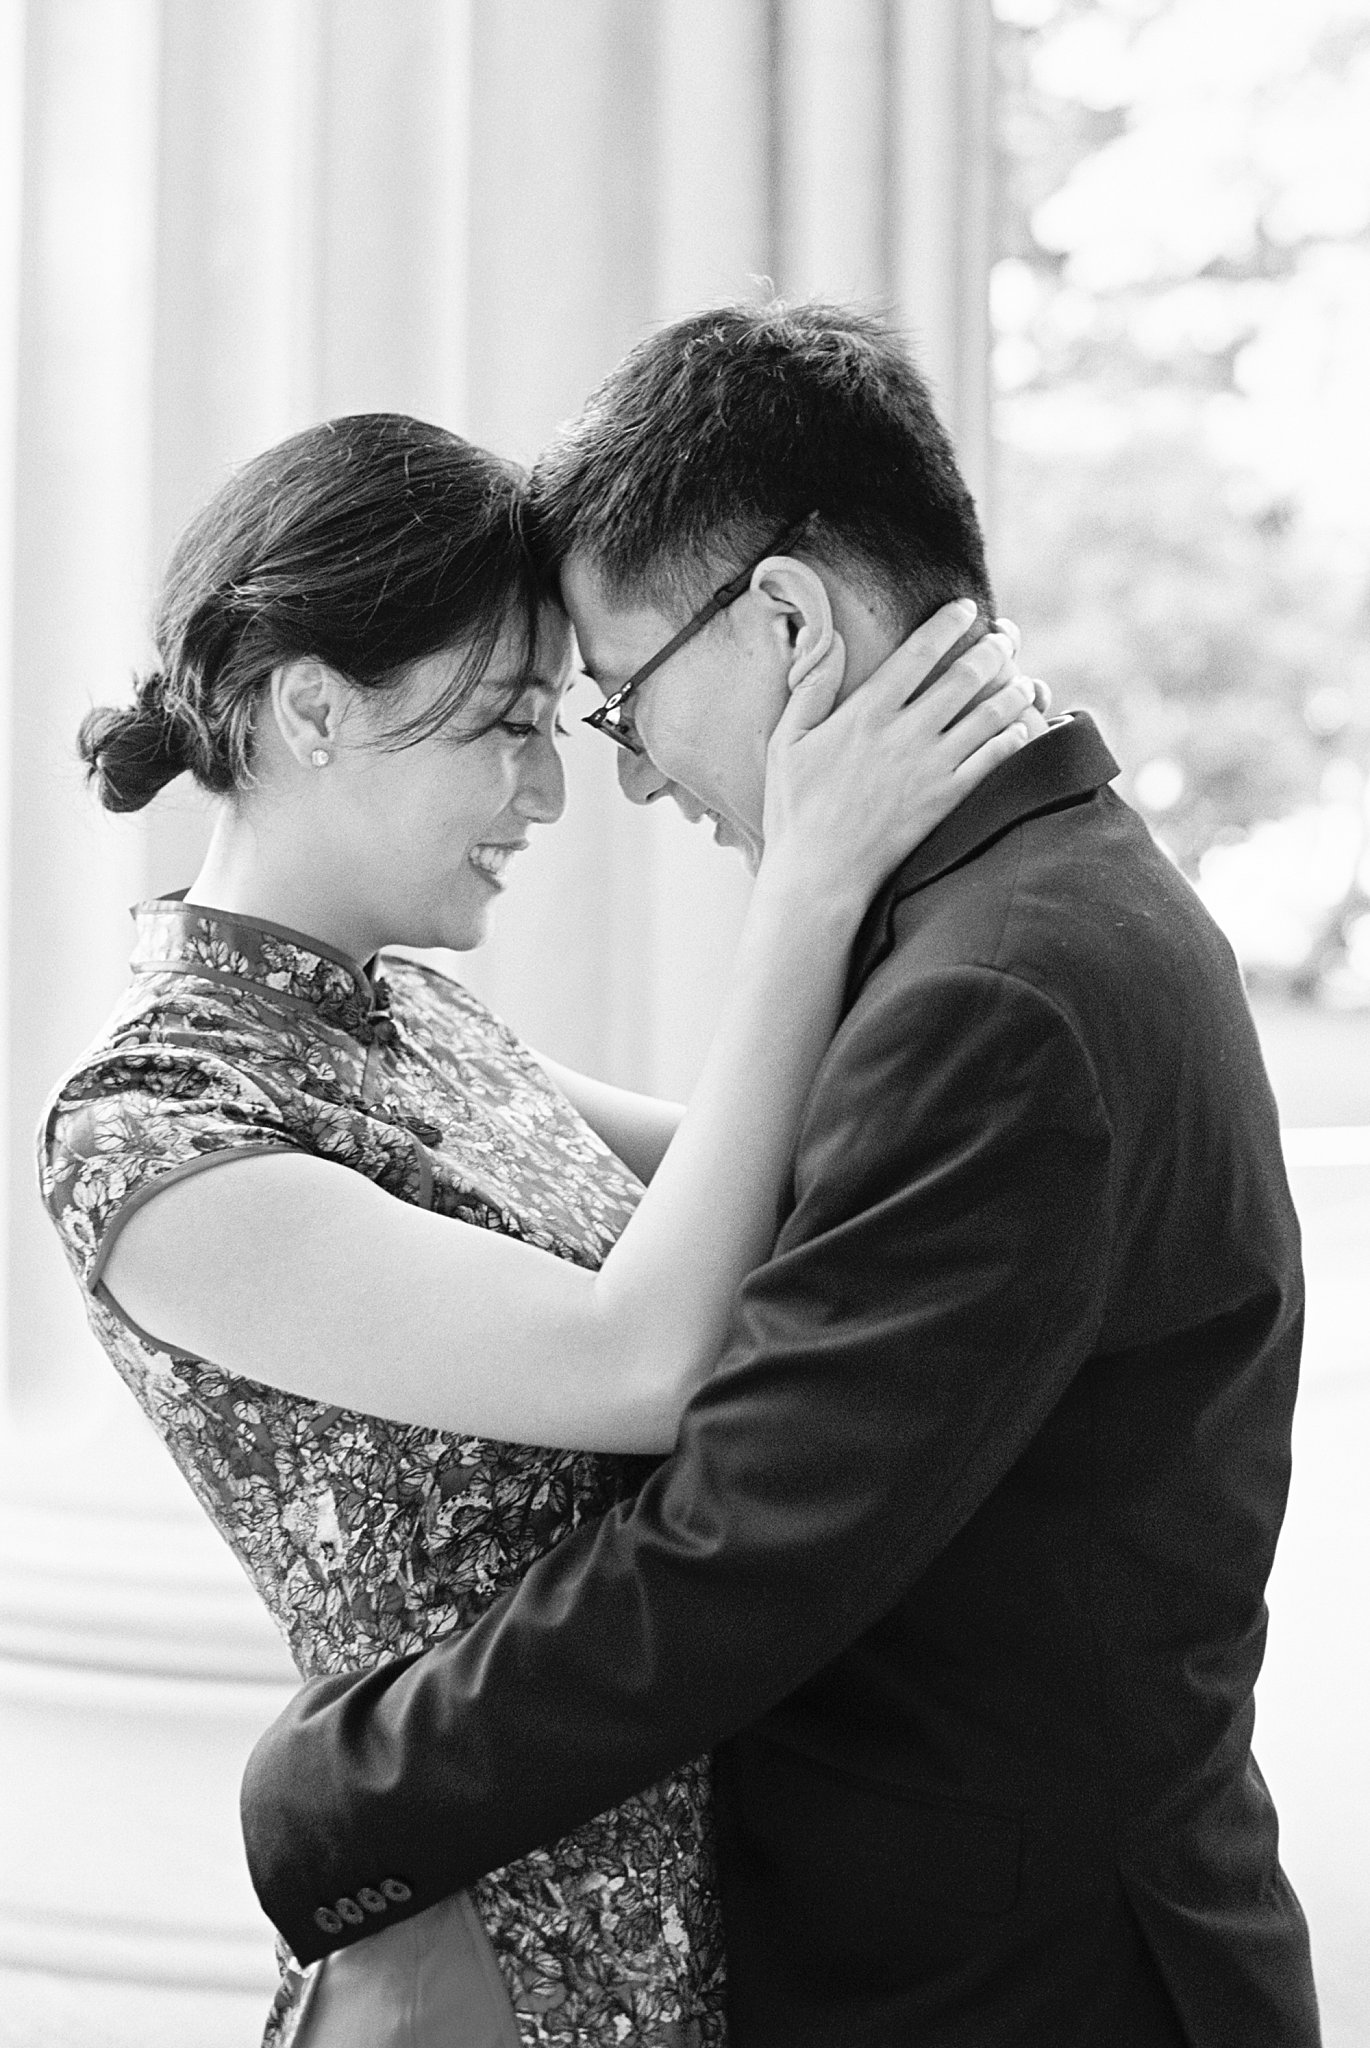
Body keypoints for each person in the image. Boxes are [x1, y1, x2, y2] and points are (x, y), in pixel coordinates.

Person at [239, 305, 1322, 2048]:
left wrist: (333, 1793)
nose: (634, 774)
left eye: (617, 701)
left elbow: (740, 1549)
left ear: (788, 620)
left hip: (1016, 1994)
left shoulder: (996, 991)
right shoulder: (1026, 911)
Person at [36, 409, 1037, 2048]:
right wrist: (803, 889)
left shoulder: (417, 1025)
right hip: (478, 1957)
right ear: (312, 709)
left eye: (553, 722)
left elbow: (788, 1183)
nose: (548, 791)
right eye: (501, 727)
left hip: (690, 1910)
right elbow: (643, 1358)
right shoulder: (150, 1125)